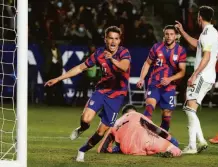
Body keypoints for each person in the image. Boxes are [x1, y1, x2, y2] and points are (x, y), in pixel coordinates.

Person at [44, 26, 131, 162]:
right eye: (110, 38)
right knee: (86, 119)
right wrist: (58, 78)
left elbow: (124, 66)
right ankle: (81, 128)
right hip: (101, 91)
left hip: (117, 96)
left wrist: (112, 59)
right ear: (105, 39)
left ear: (119, 41)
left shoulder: (124, 52)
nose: (113, 41)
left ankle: (82, 150)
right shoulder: (99, 53)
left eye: (116, 39)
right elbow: (80, 67)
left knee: (101, 132)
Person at [175, 6, 218, 154]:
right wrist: (182, 32)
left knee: (188, 108)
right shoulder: (209, 32)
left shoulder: (208, 34)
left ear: (199, 17)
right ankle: (198, 142)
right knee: (190, 108)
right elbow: (197, 45)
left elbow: (206, 57)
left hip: (202, 75)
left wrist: (194, 75)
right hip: (208, 76)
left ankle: (194, 146)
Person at [136, 25, 187, 131]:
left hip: (169, 87)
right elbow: (147, 63)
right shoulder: (156, 47)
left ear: (176, 36)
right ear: (164, 35)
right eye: (167, 34)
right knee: (149, 106)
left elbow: (182, 72)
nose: (169, 36)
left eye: (171, 34)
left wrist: (170, 79)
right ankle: (142, 135)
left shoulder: (180, 51)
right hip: (154, 83)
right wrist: (141, 78)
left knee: (166, 116)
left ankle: (162, 138)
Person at [97, 104, 182, 157]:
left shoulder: (116, 123)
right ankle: (171, 151)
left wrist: (116, 149)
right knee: (174, 147)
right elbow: (155, 129)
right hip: (147, 144)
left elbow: (102, 149)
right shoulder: (138, 115)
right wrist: (172, 139)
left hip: (129, 150)